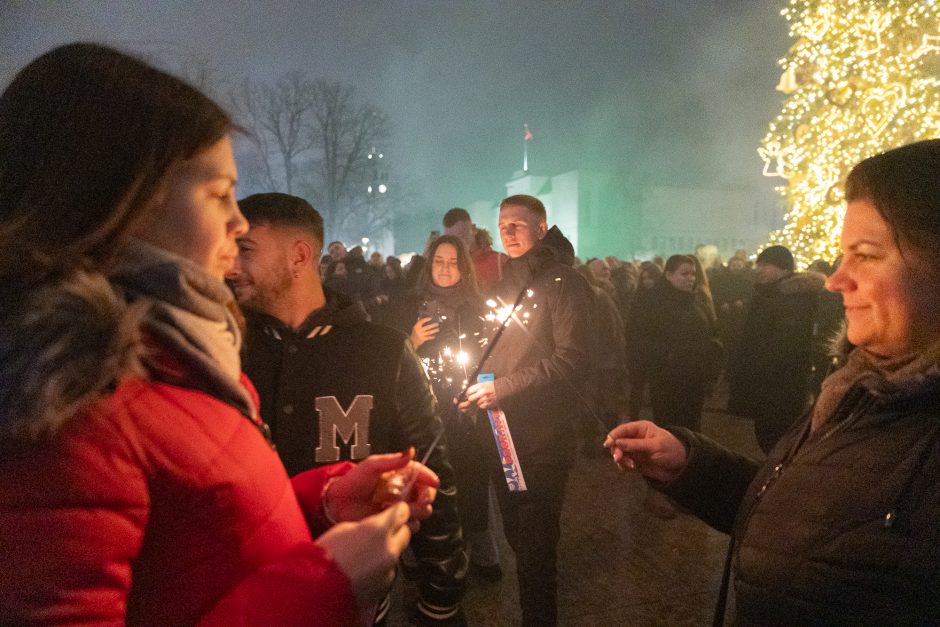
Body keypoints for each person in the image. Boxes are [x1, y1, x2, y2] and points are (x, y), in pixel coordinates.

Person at [0, 43, 442, 626]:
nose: (237, 223)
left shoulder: (175, 352)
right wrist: (322, 583)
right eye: (217, 194)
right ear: (122, 201)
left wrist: (325, 502)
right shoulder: (66, 404)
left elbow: (197, 536)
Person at [606, 140, 940, 625]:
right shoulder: (858, 387)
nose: (835, 279)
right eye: (843, 254)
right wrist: (691, 464)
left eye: (866, 256)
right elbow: (804, 518)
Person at [228, 193, 468, 625]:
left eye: (245, 250)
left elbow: (433, 472)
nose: (230, 265)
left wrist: (442, 589)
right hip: (243, 597)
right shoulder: (224, 349)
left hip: (351, 602)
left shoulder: (384, 351)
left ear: (299, 256)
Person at [460, 194, 594, 626]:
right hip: (502, 434)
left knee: (536, 554)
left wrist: (504, 387)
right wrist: (475, 387)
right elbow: (494, 350)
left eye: (518, 224)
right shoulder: (505, 280)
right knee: (519, 537)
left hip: (543, 440)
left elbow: (572, 358)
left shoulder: (564, 283)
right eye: (502, 225)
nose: (508, 232)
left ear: (542, 228)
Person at [404, 234, 504, 583]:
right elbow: (391, 359)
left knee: (473, 479)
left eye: (453, 262)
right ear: (429, 265)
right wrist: (411, 341)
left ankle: (482, 548)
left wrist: (479, 392)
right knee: (425, 478)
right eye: (439, 261)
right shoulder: (411, 305)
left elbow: (492, 356)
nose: (445, 269)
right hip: (421, 411)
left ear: (464, 268)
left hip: (467, 412)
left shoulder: (477, 307)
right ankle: (420, 551)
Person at [728, 245, 824, 452]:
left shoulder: (794, 300)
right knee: (767, 438)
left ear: (783, 268)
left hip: (780, 389)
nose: (758, 269)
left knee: (776, 440)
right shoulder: (768, 295)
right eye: (757, 264)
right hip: (766, 387)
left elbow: (786, 348)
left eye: (765, 265)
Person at [630, 254, 720, 431]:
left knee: (692, 428)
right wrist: (667, 354)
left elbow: (711, 334)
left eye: (693, 274)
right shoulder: (653, 303)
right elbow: (638, 337)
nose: (690, 279)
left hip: (694, 378)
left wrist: (711, 362)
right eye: (684, 274)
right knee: (670, 428)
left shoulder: (697, 301)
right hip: (667, 380)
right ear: (669, 275)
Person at [443, 207, 505, 289]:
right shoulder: (447, 267)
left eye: (462, 236)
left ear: (473, 229)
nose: (457, 243)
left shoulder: (500, 261)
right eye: (452, 239)